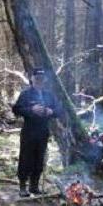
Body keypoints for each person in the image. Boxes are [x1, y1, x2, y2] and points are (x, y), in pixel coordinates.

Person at [12, 68, 61, 197]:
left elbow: (59, 110)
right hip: (29, 130)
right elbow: (16, 109)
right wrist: (31, 109)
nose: (39, 80)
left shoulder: (49, 95)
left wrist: (51, 112)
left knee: (39, 159)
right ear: (32, 79)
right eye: (37, 78)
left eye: (41, 78)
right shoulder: (25, 94)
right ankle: (23, 186)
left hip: (43, 131)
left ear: (44, 79)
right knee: (25, 158)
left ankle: (34, 186)